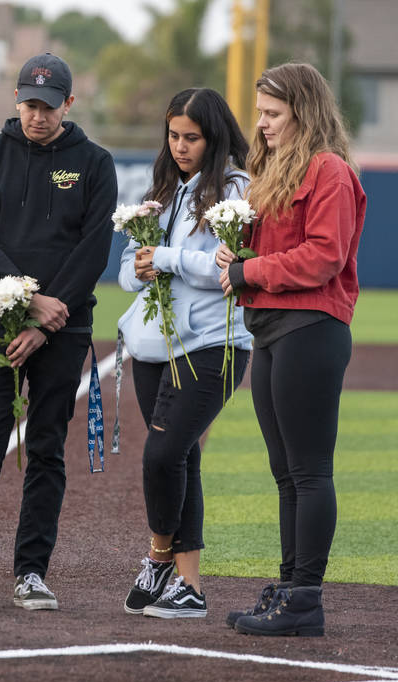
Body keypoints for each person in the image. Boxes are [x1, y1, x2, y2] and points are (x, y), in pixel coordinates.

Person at [0, 52, 117, 611]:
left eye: (50, 106)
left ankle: (31, 572)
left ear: (69, 104)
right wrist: (27, 304)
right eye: (30, 104)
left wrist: (50, 317)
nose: (38, 115)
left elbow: (94, 249)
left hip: (67, 325)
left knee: (46, 448)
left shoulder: (94, 162)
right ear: (16, 99)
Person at [217, 62, 366, 637]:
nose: (262, 123)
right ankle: (289, 589)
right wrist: (234, 254)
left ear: (304, 112)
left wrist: (251, 267)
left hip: (313, 327)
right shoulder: (273, 167)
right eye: (260, 113)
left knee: (308, 471)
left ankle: (306, 598)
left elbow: (325, 255)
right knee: (286, 473)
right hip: (273, 328)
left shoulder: (329, 170)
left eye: (273, 114)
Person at [117, 88, 253, 619]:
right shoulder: (168, 189)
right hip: (156, 345)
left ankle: (158, 558)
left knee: (163, 456)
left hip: (214, 344)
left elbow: (228, 269)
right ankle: (189, 587)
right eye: (173, 136)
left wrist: (166, 257)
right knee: (184, 459)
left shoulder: (238, 189)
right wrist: (143, 263)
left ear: (213, 137)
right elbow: (129, 271)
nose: (179, 146)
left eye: (191, 137)